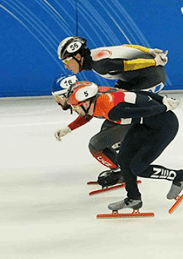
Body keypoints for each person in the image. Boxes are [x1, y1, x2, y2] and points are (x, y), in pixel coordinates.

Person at [55, 36, 169, 185]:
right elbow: (126, 46)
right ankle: (126, 153)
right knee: (112, 117)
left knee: (123, 115)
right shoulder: (95, 56)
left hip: (150, 78)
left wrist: (154, 61)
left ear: (77, 56)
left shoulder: (99, 65)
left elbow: (129, 65)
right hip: (138, 78)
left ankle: (131, 161)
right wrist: (149, 51)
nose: (66, 66)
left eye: (66, 61)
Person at [63, 80, 183, 212]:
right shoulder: (101, 98)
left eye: (76, 107)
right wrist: (163, 100)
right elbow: (136, 94)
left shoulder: (112, 110)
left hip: (164, 126)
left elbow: (146, 112)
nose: (75, 110)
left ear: (87, 102)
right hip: (144, 123)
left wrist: (164, 106)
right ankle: (134, 198)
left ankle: (179, 176)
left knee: (138, 168)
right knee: (123, 160)